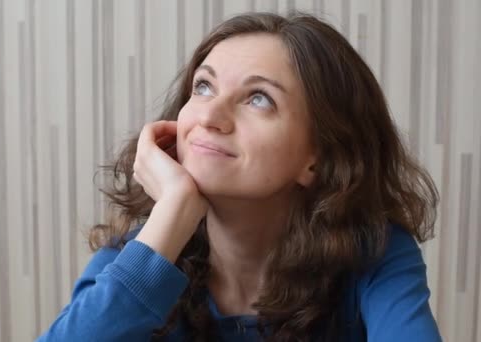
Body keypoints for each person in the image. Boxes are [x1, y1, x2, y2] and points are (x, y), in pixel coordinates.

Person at [37, 12, 441, 341]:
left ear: (318, 158)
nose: (210, 117)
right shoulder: (142, 253)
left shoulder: (375, 255)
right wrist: (173, 211)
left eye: (258, 98)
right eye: (204, 87)